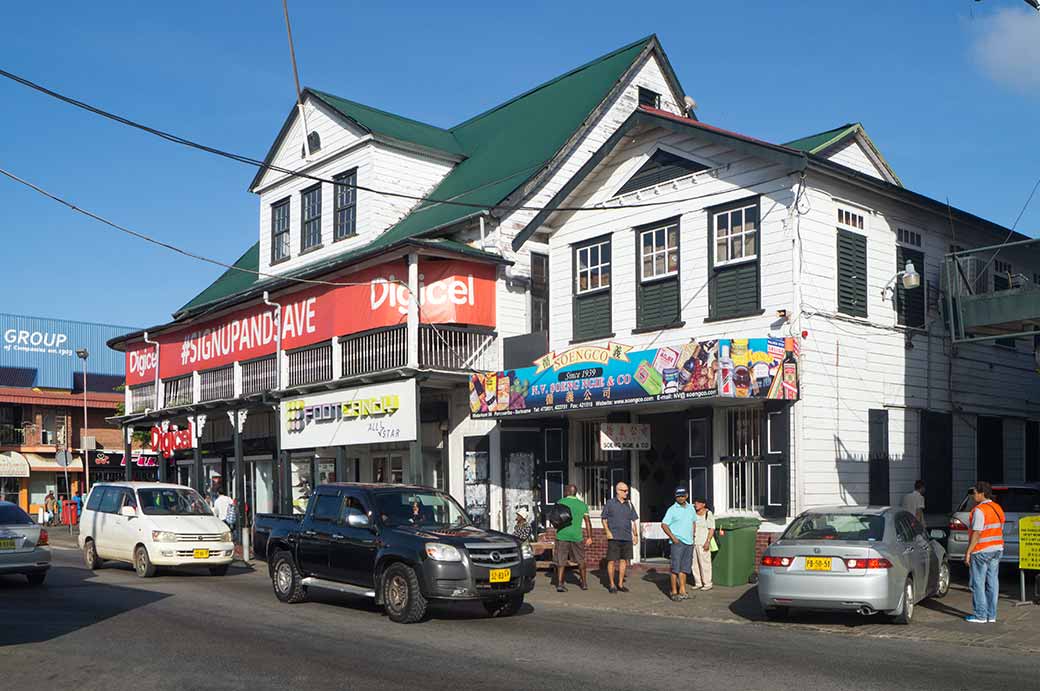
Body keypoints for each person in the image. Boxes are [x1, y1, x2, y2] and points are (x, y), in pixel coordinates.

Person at [964, 481, 1005, 624]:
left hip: (981, 550)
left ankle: (980, 615)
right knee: (993, 582)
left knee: (978, 583)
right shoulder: (997, 508)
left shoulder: (979, 511)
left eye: (975, 492)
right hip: (997, 549)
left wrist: (968, 552)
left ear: (982, 494)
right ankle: (991, 615)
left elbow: (977, 533)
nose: (973, 495)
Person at [601, 481, 639, 594]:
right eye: (624, 491)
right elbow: (604, 519)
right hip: (614, 537)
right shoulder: (610, 503)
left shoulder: (629, 504)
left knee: (624, 561)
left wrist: (635, 535)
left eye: (627, 491)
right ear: (618, 491)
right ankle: (612, 584)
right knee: (612, 560)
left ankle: (620, 584)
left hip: (626, 537)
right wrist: (607, 532)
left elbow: (633, 521)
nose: (627, 493)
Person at [660, 487, 696, 601]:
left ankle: (683, 591)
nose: (680, 498)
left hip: (689, 542)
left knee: (684, 568)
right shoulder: (672, 509)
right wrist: (673, 537)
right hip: (677, 542)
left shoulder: (691, 508)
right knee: (675, 568)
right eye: (678, 496)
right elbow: (664, 524)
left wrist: (693, 535)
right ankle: (674, 592)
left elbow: (693, 521)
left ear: (686, 496)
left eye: (682, 496)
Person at [554, 485, 592, 592]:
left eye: (565, 490)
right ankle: (584, 583)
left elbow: (554, 517)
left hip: (562, 534)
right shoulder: (582, 505)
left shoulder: (560, 502)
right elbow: (587, 522)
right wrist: (589, 537)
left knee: (561, 560)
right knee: (581, 560)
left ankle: (560, 584)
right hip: (577, 535)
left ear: (567, 491)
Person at [692, 496, 716, 591]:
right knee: (694, 564)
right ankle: (698, 582)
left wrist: (707, 541)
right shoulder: (693, 514)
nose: (696, 504)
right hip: (694, 542)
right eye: (695, 503)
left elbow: (711, 529)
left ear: (703, 504)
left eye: (698, 503)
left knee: (705, 563)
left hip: (703, 542)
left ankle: (707, 583)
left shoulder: (708, 514)